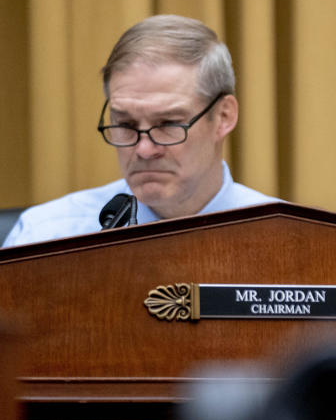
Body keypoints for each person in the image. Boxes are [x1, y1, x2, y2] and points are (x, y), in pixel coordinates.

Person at [2, 14, 276, 247]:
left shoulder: (288, 239)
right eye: (126, 125)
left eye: (168, 124)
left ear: (224, 116)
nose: (144, 149)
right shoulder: (45, 238)